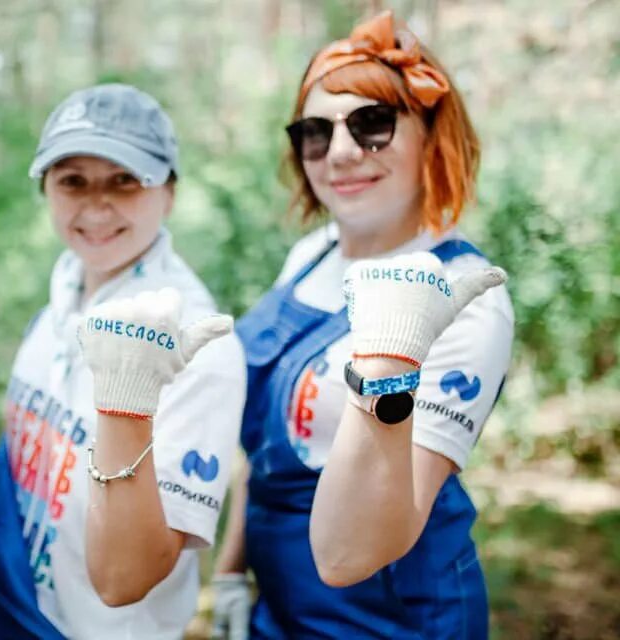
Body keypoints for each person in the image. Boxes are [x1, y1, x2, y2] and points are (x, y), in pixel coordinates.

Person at [210, 11, 514, 639]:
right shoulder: (310, 256)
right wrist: (231, 572)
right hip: (281, 610)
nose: (342, 152)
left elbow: (371, 540)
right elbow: (264, 447)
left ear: (431, 135)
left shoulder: (465, 295)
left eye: (372, 124)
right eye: (316, 132)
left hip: (395, 617)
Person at [0, 83, 247, 639]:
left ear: (169, 192)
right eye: (73, 181)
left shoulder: (197, 346)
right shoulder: (55, 309)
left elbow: (126, 580)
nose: (96, 205)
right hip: (0, 618)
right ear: (45, 189)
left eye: (125, 180)